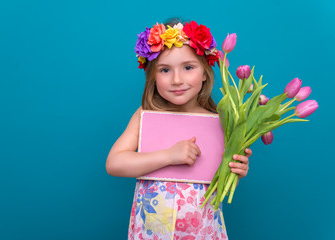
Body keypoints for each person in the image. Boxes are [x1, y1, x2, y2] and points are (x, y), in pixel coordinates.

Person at [106, 18, 252, 240]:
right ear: (152, 76)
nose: (176, 79)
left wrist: (236, 169)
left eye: (188, 67)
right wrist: (169, 155)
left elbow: (219, 178)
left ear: (204, 72)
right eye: (165, 70)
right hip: (152, 232)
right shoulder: (146, 114)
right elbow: (114, 164)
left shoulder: (221, 120)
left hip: (202, 231)